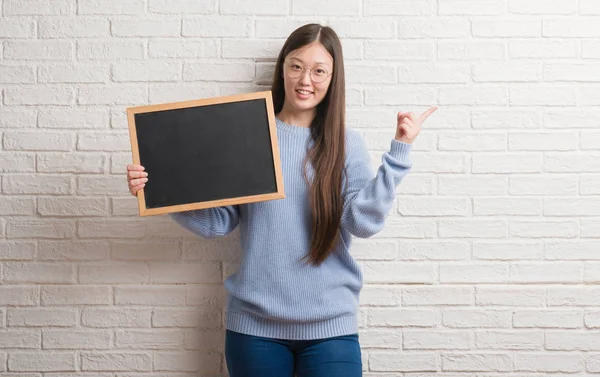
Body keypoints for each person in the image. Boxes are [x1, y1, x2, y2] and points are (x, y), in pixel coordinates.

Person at [126, 23, 437, 377]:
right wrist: (161, 191)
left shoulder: (346, 144)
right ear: (283, 69)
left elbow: (362, 223)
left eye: (319, 71)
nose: (306, 80)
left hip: (331, 328)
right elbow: (218, 223)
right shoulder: (248, 135)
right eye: (296, 66)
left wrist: (399, 152)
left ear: (333, 78)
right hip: (254, 329)